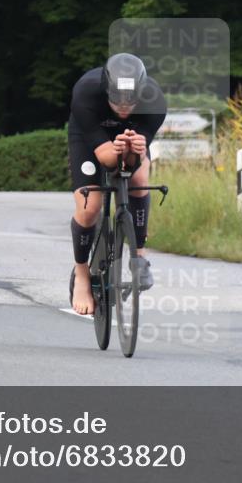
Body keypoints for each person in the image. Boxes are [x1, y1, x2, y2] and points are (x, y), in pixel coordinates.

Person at [68, 53, 167, 315]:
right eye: (116, 100)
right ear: (106, 90)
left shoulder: (154, 100)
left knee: (140, 179)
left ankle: (140, 257)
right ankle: (81, 274)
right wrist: (116, 150)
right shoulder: (86, 93)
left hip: (132, 136)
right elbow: (108, 160)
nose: (123, 107)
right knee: (90, 207)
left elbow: (132, 162)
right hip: (91, 138)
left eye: (130, 101)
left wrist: (132, 150)